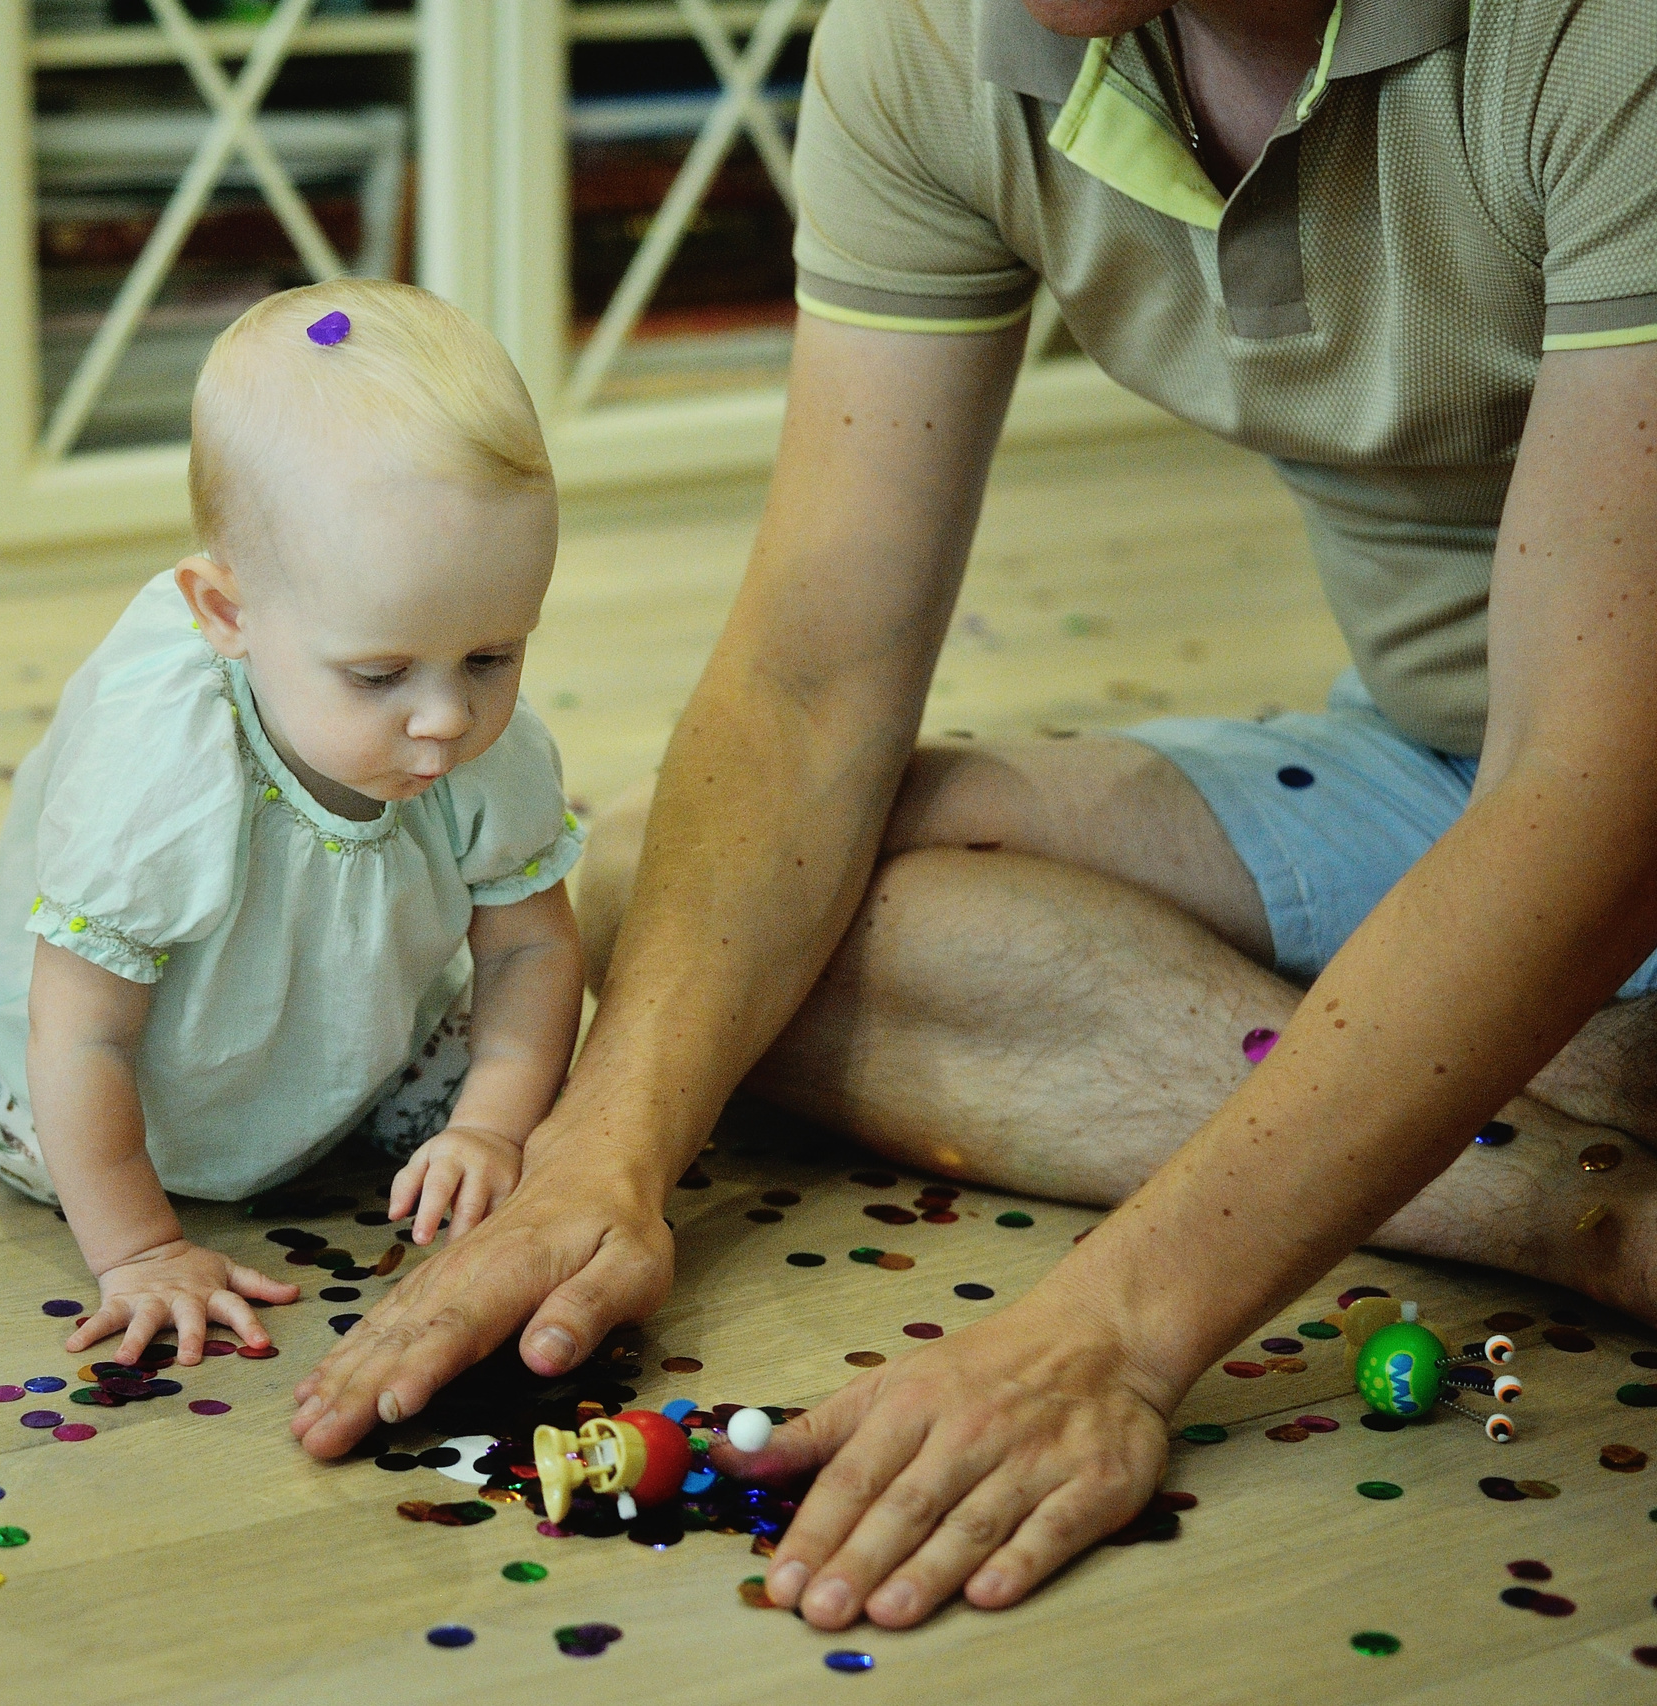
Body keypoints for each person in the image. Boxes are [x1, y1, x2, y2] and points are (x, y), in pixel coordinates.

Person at [291, 0, 1657, 1632]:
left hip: (1602, 772)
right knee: (682, 876)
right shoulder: (934, 34)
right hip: (1436, 760)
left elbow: (1598, 790)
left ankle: (1474, 1061)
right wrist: (604, 1153)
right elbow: (810, 690)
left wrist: (1116, 1327)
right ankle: (1587, 1191)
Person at [0, 279, 586, 1369]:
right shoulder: (161, 767)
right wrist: (140, 1249)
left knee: (542, 1087)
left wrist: (485, 1122)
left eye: (492, 654)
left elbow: (531, 943)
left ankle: (369, 1105)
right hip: (109, 1101)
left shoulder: (480, 736)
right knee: (58, 1084)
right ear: (225, 614)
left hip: (353, 1046)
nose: (446, 716)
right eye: (379, 670)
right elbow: (84, 1034)